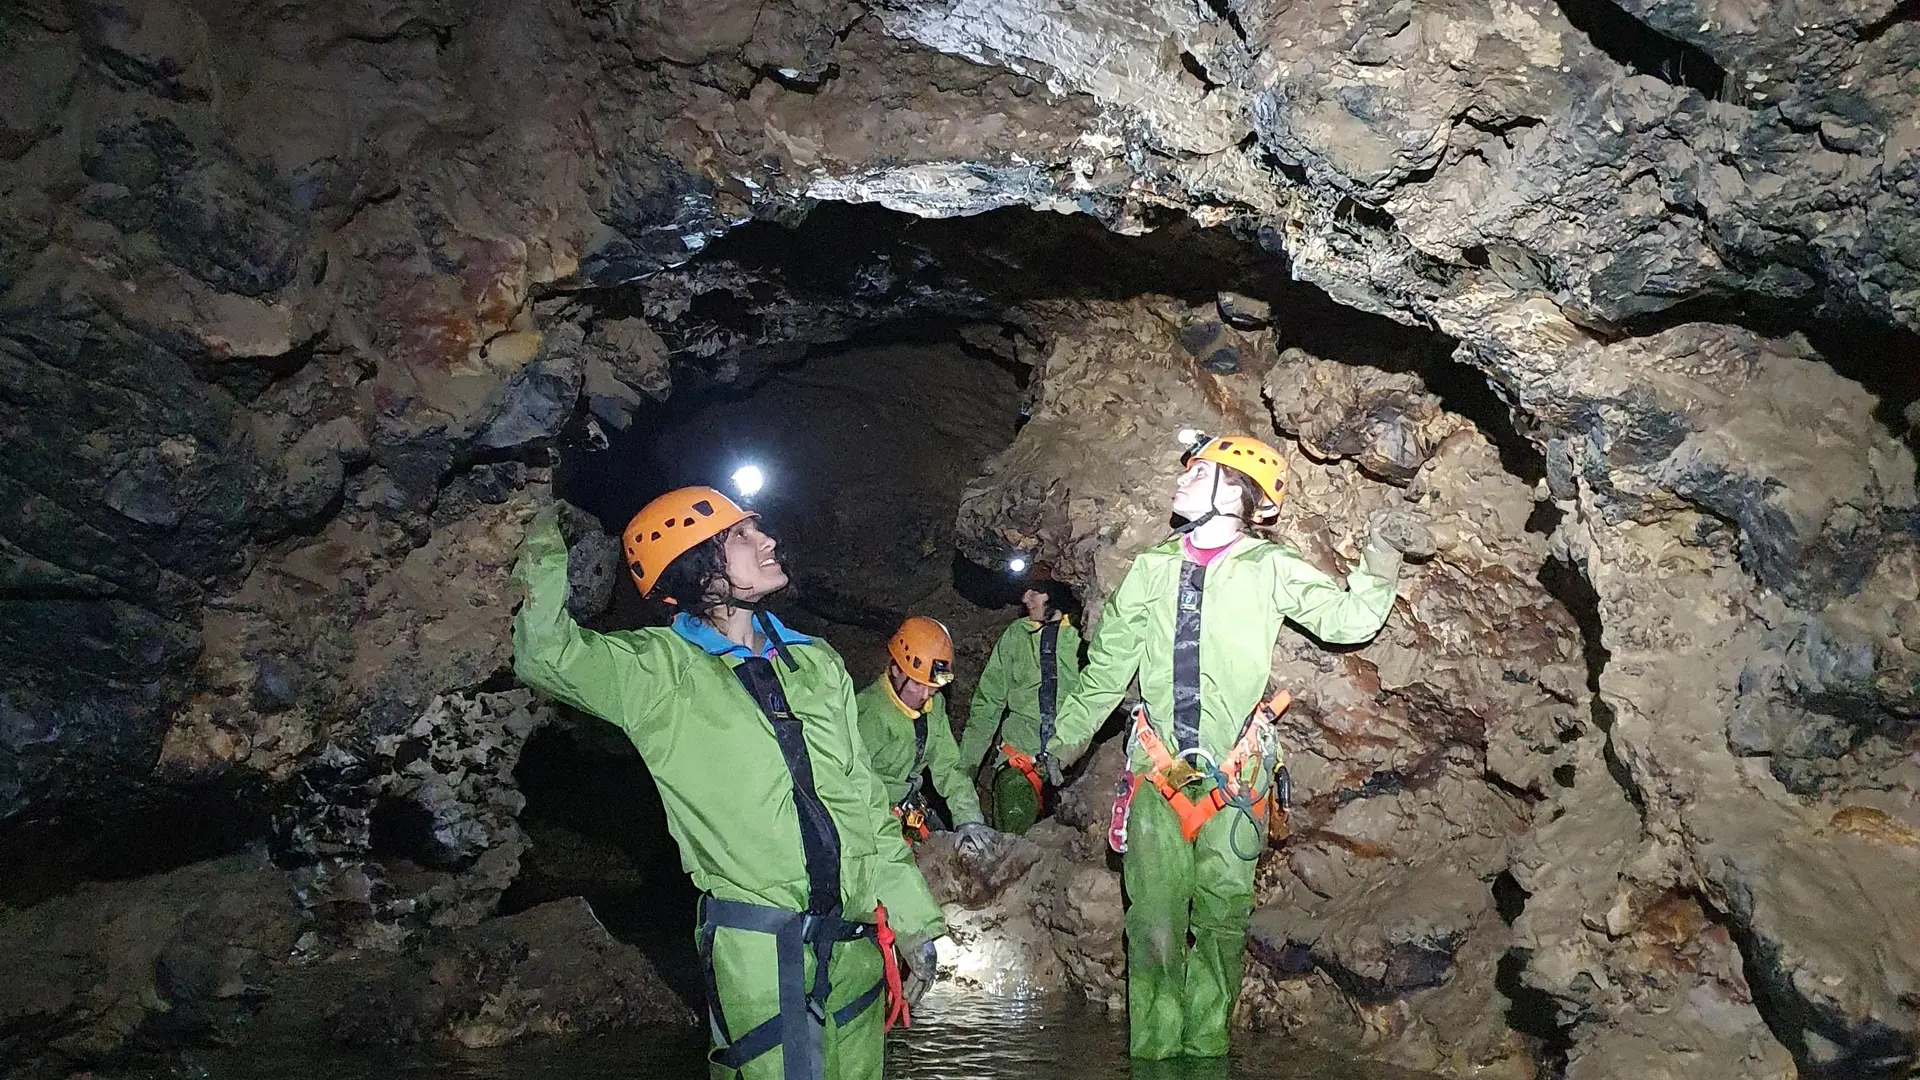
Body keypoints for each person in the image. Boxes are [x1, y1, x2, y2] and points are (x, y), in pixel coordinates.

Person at [511, 488, 944, 1080]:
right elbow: (546, 654)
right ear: (693, 565)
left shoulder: (816, 664)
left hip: (854, 945)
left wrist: (915, 918)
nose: (766, 540)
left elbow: (865, 803)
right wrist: (538, 529)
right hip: (762, 949)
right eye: (739, 535)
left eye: (755, 530)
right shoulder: (656, 672)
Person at [1045, 433, 1429, 1061]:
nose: (1182, 481)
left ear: (1241, 494)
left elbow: (1348, 620)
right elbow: (1108, 666)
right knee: (1155, 926)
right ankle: (1153, 1062)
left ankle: (1206, 1058)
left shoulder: (1268, 567)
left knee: (1222, 927)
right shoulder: (1152, 568)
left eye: (1198, 474)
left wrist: (1381, 551)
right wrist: (1065, 740)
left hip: (1237, 776)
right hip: (1156, 773)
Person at [956, 566, 1082, 834]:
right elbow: (987, 706)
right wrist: (964, 774)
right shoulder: (1016, 636)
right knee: (1015, 844)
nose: (1026, 599)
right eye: (1025, 591)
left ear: (1056, 594)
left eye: (1035, 591)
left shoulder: (1082, 638)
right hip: (1020, 761)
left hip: (1071, 762)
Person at [854, 616, 993, 858]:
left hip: (911, 808)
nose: (926, 694)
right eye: (917, 684)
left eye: (933, 686)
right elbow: (852, 787)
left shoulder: (933, 707)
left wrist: (969, 819)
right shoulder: (869, 714)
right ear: (896, 668)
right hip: (872, 819)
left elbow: (949, 767)